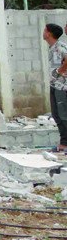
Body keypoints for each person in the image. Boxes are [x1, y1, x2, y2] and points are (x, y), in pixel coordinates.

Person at [47, 23, 67, 153]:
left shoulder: (60, 47)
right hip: (54, 84)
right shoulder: (53, 47)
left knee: (63, 115)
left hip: (62, 85)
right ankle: (64, 143)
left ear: (49, 33)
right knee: (56, 115)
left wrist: (60, 71)